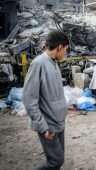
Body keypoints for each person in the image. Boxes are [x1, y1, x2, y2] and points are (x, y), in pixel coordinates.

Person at [23, 31, 69, 170]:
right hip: (48, 124)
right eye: (66, 50)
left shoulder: (53, 62)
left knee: (58, 158)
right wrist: (43, 127)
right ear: (59, 47)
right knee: (56, 161)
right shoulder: (38, 64)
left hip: (58, 121)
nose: (66, 53)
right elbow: (29, 99)